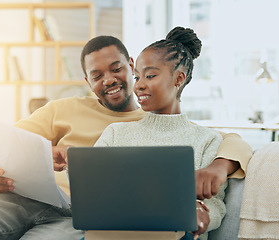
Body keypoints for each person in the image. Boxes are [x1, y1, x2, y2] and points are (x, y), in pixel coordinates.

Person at [0, 34, 252, 240]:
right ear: (87, 81)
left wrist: (220, 167)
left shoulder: (181, 129)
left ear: (130, 64)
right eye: (97, 75)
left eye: (118, 69)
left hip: (76, 217)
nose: (110, 80)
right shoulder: (77, 115)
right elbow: (5, 143)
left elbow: (225, 143)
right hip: (26, 200)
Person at [94, 26, 225, 240]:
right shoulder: (115, 134)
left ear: (178, 79)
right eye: (137, 78)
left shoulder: (207, 140)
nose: (139, 86)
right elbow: (92, 187)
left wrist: (203, 215)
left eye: (150, 75)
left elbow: (215, 203)